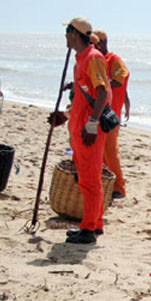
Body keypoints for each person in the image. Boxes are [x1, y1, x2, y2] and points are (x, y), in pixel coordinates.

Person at [48, 17, 112, 244]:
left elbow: (102, 93)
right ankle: (94, 223)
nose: (65, 38)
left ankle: (89, 228)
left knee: (89, 179)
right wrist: (65, 117)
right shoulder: (81, 59)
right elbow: (84, 98)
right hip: (81, 127)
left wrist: (92, 123)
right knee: (88, 177)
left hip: (89, 131)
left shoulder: (92, 58)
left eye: (67, 34)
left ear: (74, 34)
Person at [92, 29, 130, 199]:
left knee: (110, 151)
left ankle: (119, 187)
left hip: (111, 114)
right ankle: (108, 184)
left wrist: (98, 86)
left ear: (101, 43)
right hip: (102, 111)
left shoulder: (114, 60)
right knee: (103, 152)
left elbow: (121, 80)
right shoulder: (98, 59)